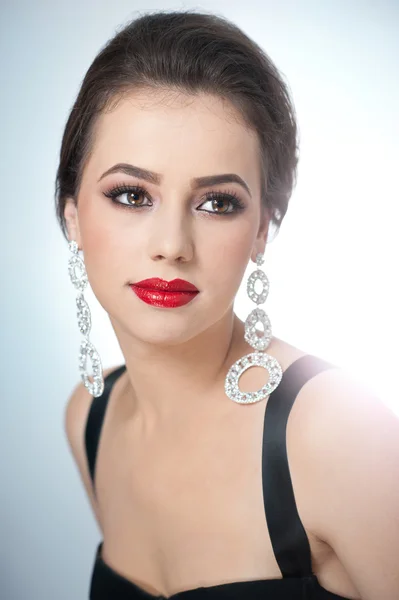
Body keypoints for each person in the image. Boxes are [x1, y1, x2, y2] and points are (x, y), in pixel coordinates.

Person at [56, 10, 399, 600]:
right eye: (132, 194)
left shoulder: (337, 433)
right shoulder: (89, 416)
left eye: (217, 203)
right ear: (72, 217)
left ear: (263, 228)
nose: (171, 246)